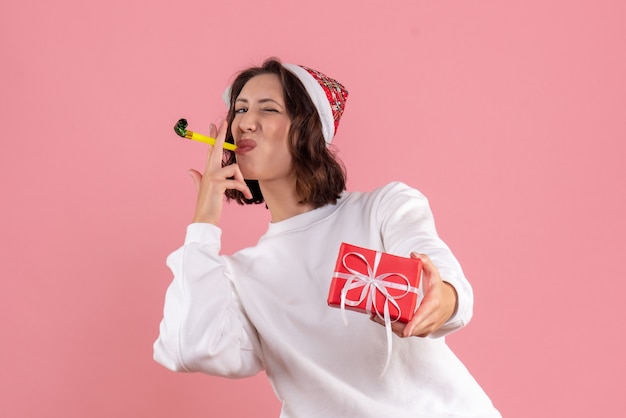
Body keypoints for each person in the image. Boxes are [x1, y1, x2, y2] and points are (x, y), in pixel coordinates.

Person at [154, 58, 501, 417]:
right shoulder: (239, 277)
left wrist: (441, 300)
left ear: (308, 130)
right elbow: (190, 346)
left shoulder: (382, 208)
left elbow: (440, 278)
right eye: (239, 109)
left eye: (267, 109)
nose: (246, 122)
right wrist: (204, 221)